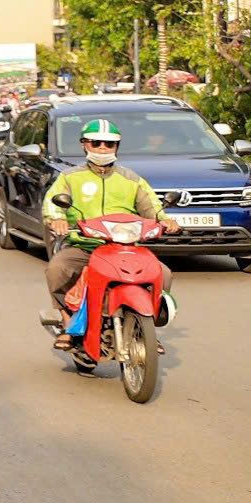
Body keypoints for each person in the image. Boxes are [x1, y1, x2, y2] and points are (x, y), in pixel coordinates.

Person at [40, 118, 177, 344]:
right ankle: (67, 320)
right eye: (96, 143)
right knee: (58, 269)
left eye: (109, 144)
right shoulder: (70, 177)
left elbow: (152, 207)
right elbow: (52, 204)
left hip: (126, 249)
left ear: (116, 147)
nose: (102, 148)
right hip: (85, 246)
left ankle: (146, 329)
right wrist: (57, 219)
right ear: (85, 144)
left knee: (163, 273)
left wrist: (166, 220)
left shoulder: (131, 179)